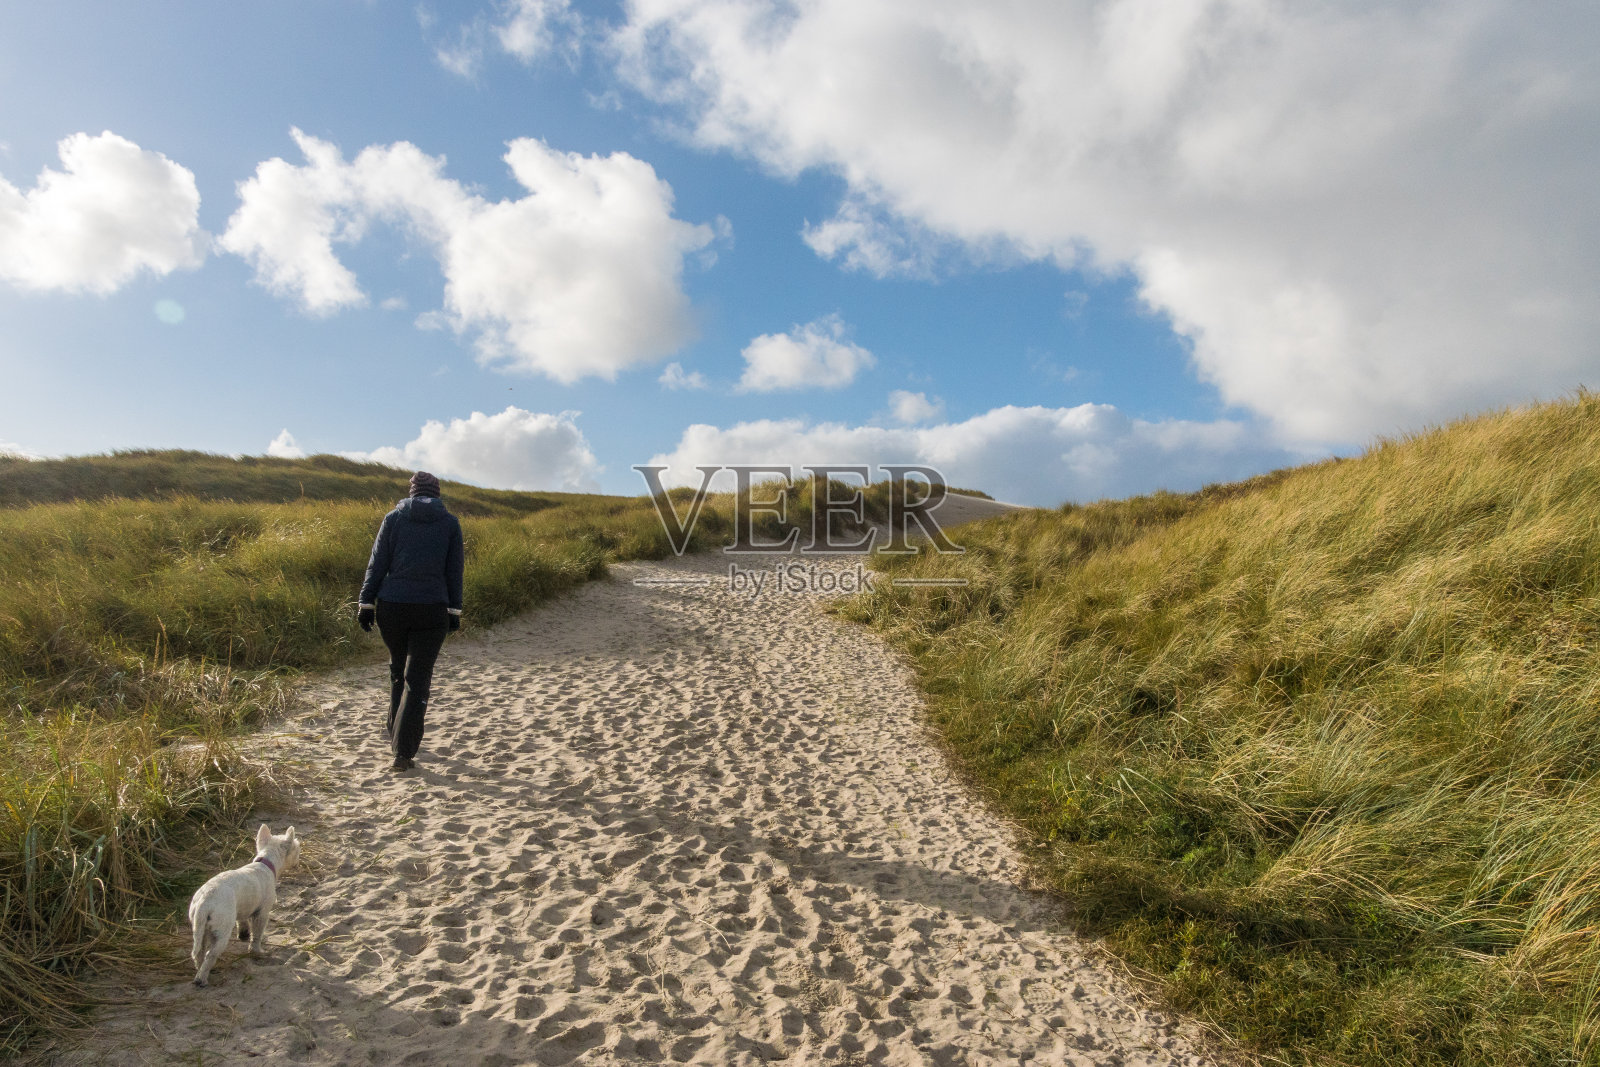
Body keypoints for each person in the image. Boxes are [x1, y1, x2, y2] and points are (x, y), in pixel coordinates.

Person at [357, 471, 464, 771]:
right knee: (417, 679)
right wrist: (455, 611)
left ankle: (396, 734)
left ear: (412, 492)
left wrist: (366, 603)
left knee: (397, 670)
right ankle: (403, 753)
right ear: (437, 494)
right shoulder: (450, 523)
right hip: (432, 610)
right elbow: (454, 571)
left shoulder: (393, 518)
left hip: (392, 607)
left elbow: (377, 563)